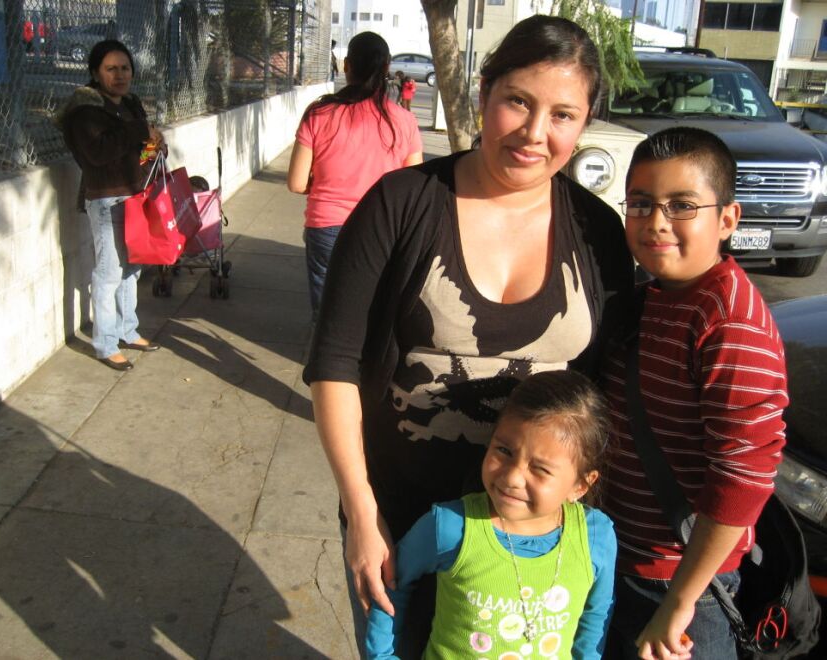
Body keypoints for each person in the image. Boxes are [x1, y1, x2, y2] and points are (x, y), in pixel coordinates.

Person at [303, 15, 634, 657]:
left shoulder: (597, 231)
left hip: (532, 540)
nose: (536, 134)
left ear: (584, 123)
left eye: (563, 115)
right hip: (401, 518)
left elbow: (607, 389)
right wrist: (361, 510)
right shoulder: (400, 204)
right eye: (518, 102)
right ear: (483, 94)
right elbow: (335, 364)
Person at [601, 127, 788, 660]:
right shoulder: (652, 295)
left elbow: (744, 478)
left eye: (682, 205)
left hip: (680, 588)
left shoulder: (729, 321)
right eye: (640, 203)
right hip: (618, 560)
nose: (656, 222)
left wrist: (680, 602)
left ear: (728, 219)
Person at [366, 370, 617, 659]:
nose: (512, 477)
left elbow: (595, 620)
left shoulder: (596, 537)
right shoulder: (451, 526)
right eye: (504, 450)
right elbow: (392, 585)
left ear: (580, 486)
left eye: (540, 469)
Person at [287, 32, 423, 322]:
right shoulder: (405, 121)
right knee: (373, 313)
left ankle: (327, 364)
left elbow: (297, 183)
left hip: (326, 227)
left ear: (347, 65)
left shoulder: (319, 113)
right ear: (386, 68)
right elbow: (413, 185)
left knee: (327, 316)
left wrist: (327, 181)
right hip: (382, 230)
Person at [54, 40, 164, 371]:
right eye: (111, 69)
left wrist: (155, 148)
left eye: (125, 68)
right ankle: (105, 343)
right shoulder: (84, 111)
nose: (120, 75)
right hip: (106, 199)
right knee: (109, 272)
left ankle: (127, 329)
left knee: (132, 267)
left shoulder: (129, 105)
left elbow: (141, 151)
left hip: (135, 195)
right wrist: (140, 131)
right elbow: (98, 154)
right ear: (95, 73)